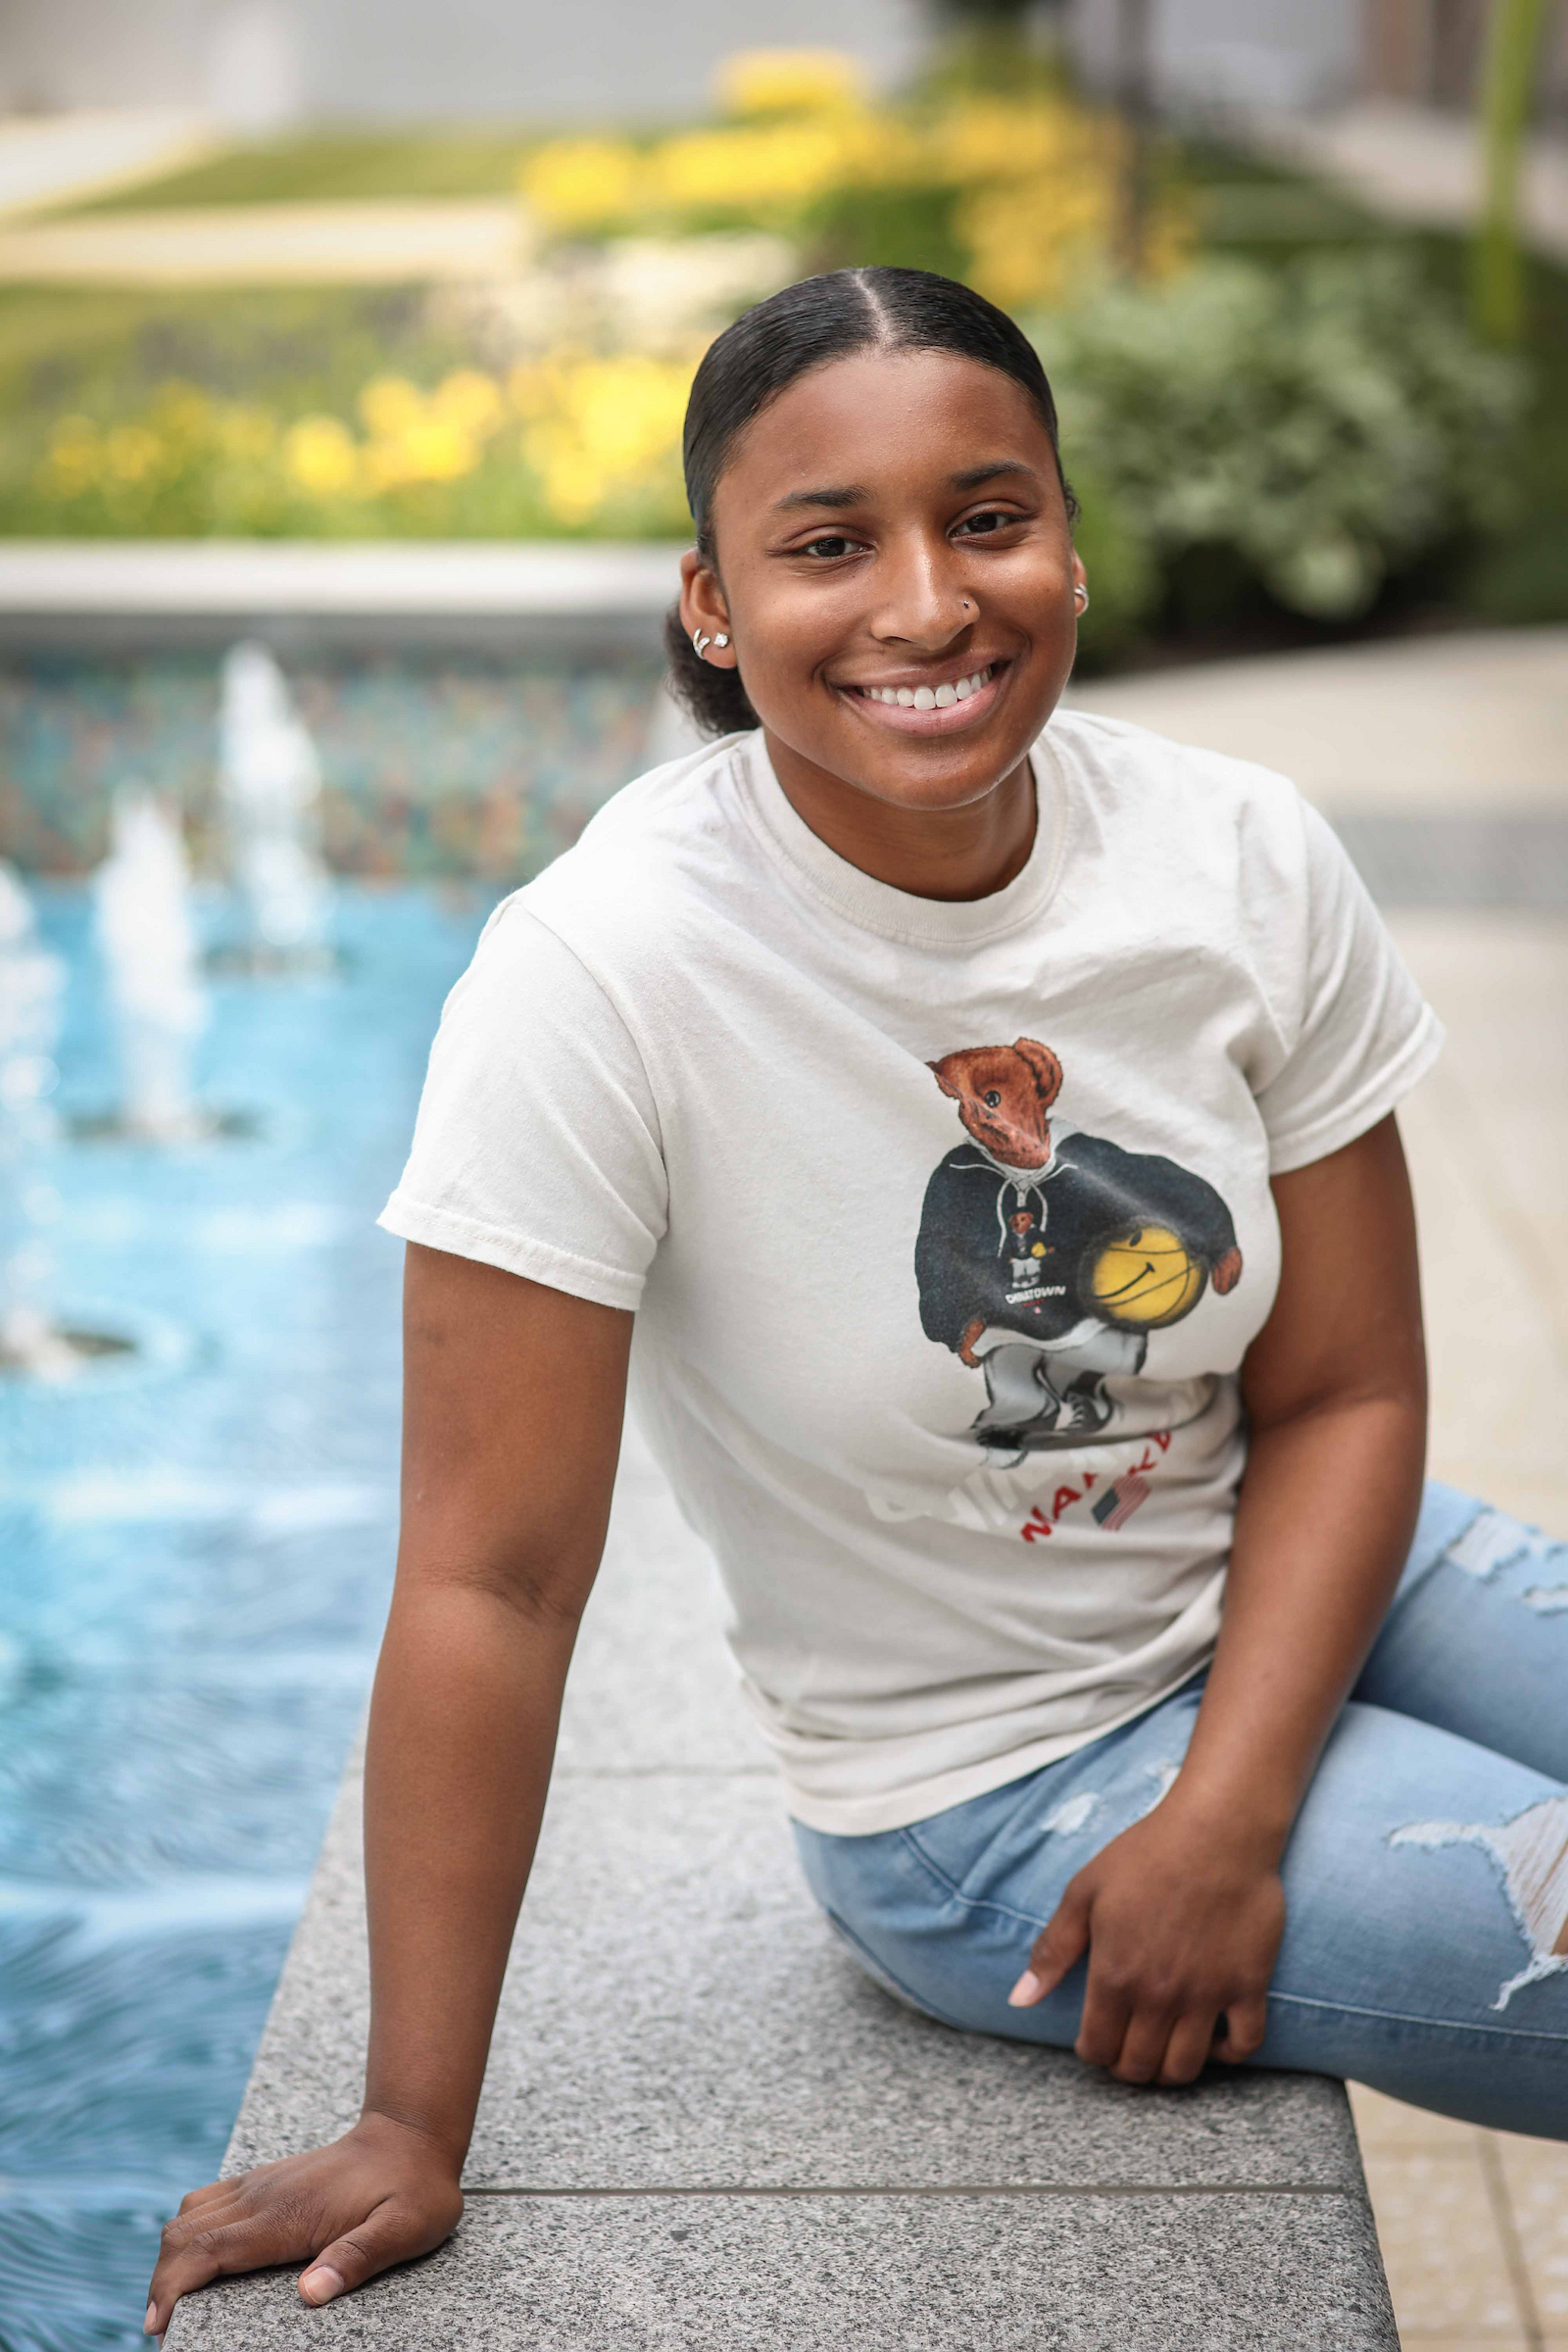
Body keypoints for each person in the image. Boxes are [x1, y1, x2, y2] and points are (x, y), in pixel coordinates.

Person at [145, 266, 1568, 2333]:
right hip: (989, 1782)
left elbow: (1344, 1394)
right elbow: (489, 1583)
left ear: (1069, 541)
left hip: (1301, 1565)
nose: (922, 606)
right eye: (826, 545)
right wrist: (406, 2122)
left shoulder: (1235, 855)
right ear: (712, 606)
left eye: (985, 517)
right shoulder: (604, 976)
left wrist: (1232, 1807)